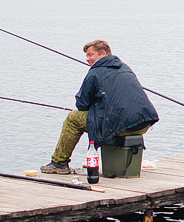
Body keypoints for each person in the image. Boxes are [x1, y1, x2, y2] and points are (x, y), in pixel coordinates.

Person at [40, 40, 159, 174]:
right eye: (86, 56)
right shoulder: (125, 68)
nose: (87, 59)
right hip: (142, 124)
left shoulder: (94, 72)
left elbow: (82, 104)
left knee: (73, 118)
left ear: (103, 53)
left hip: (121, 125)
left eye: (90, 55)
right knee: (104, 117)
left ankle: (59, 163)